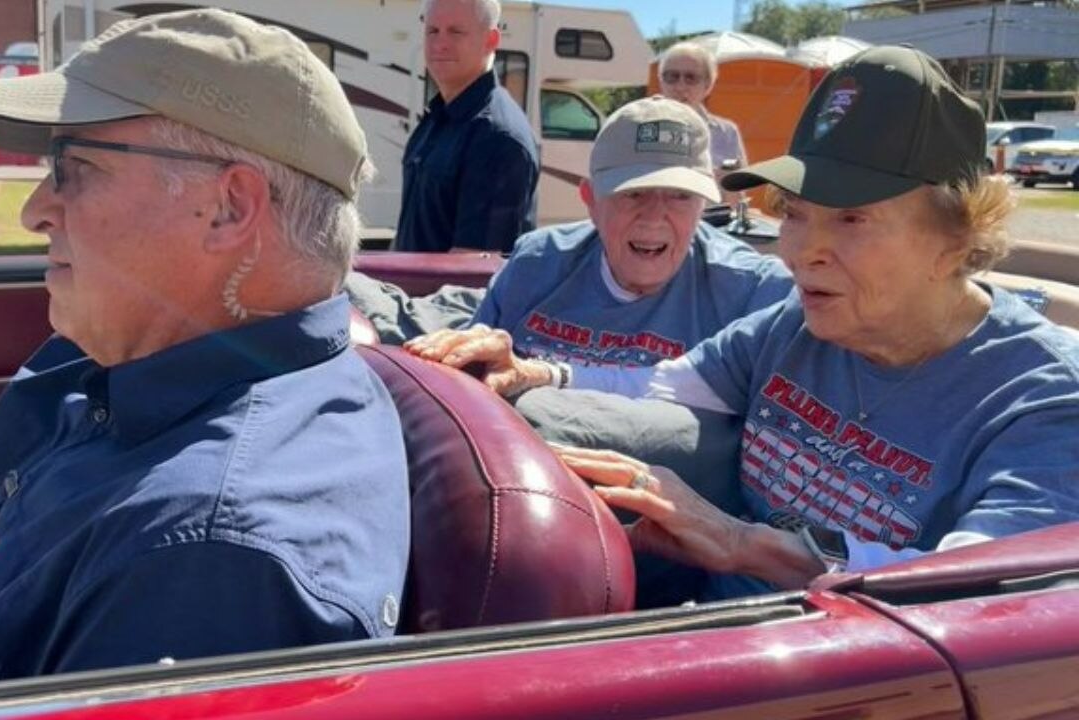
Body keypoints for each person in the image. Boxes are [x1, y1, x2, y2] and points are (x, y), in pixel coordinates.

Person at [0, 10, 410, 698]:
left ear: (228, 209)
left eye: (75, 169)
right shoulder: (134, 358)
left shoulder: (205, 557)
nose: (36, 208)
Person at [552, 45, 1079, 600]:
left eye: (851, 218)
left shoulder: (1043, 400)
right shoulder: (797, 324)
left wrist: (742, 544)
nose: (802, 251)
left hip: (857, 680)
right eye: (796, 213)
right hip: (706, 640)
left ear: (957, 238)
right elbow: (656, 386)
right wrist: (535, 375)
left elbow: (988, 591)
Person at [404, 96, 792, 397]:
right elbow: (470, 370)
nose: (655, 216)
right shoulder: (537, 263)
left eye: (679, 195)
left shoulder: (753, 292)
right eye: (633, 193)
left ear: (704, 204)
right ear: (590, 200)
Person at [394, 0, 540, 253]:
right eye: (432, 31)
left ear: (491, 40)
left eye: (455, 31)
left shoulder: (497, 139)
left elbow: (471, 274)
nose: (440, 43)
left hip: (437, 294)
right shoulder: (435, 120)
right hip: (405, 292)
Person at [658, 42, 748, 203]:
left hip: (711, 223)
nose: (680, 86)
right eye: (672, 77)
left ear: (708, 85)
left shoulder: (726, 132)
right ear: (661, 81)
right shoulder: (640, 127)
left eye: (691, 78)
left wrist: (727, 183)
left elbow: (738, 201)